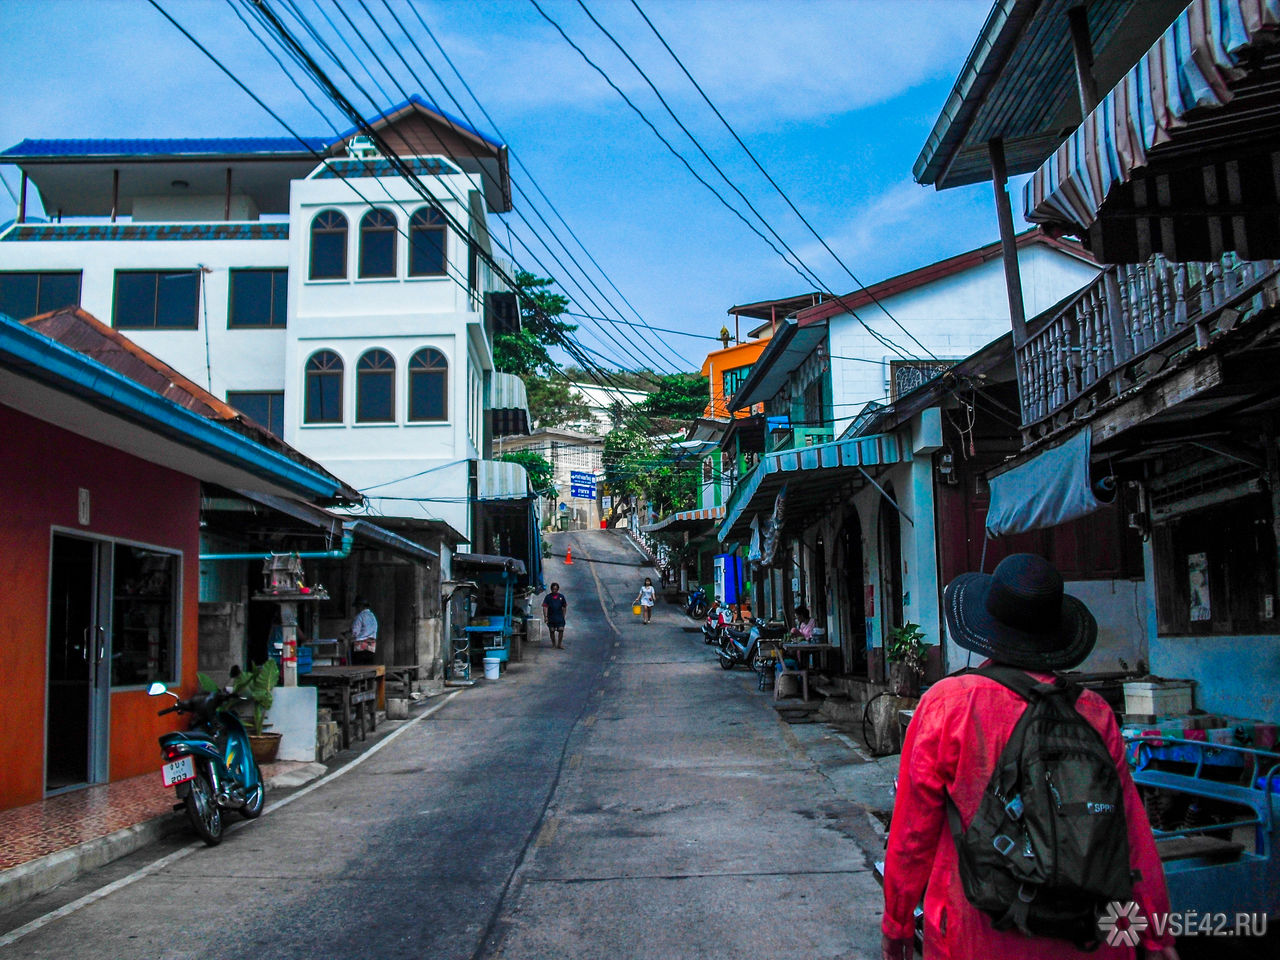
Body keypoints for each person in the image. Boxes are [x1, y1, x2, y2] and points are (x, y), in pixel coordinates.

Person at [881, 554, 1178, 960]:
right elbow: (1130, 833)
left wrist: (896, 925)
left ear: (987, 628)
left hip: (977, 936)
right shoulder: (1093, 711)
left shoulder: (948, 705)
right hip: (1089, 938)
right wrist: (1157, 935)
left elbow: (913, 834)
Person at [343, 596, 377, 666]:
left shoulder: (360, 616)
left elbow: (355, 632)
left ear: (360, 606)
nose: (357, 609)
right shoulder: (372, 616)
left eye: (357, 606)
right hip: (371, 645)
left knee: (358, 668)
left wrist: (347, 634)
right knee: (368, 667)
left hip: (360, 645)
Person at [542, 583, 567, 648]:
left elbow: (564, 607)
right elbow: (545, 607)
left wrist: (563, 616)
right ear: (551, 589)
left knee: (561, 630)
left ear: (558, 589)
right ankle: (553, 644)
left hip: (559, 617)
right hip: (551, 617)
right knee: (551, 630)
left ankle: (559, 644)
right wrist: (545, 617)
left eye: (556, 589)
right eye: (553, 589)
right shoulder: (548, 597)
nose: (554, 591)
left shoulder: (561, 597)